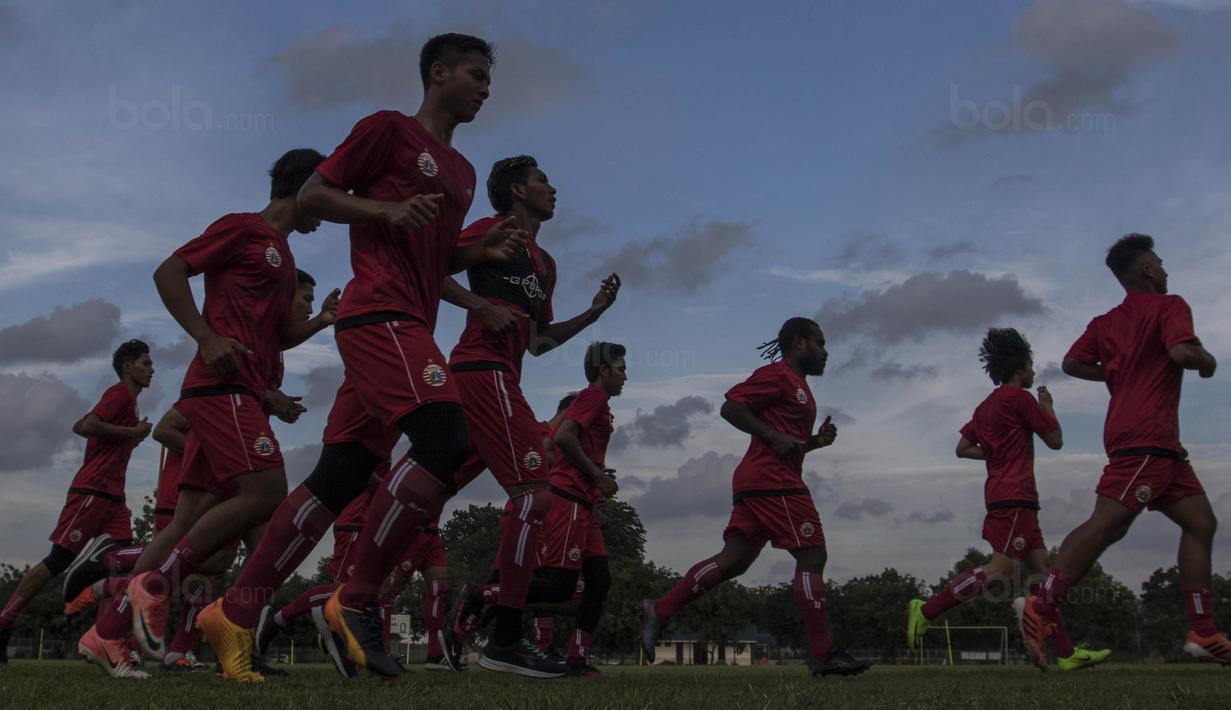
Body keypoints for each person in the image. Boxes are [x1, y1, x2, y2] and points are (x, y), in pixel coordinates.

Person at [198, 33, 524, 681]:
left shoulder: (459, 173)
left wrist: (475, 256)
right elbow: (317, 195)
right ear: (437, 73)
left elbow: (429, 257)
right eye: (475, 75)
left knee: (340, 475)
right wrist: (386, 206)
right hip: (378, 317)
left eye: (489, 79)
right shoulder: (387, 130)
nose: (485, 88)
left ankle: (232, 614)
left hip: (412, 323)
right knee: (443, 435)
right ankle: (356, 598)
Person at [76, 149, 336, 681]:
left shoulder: (284, 259)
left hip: (240, 393)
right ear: (306, 186)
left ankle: (108, 630)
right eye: (329, 191)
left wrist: (319, 323)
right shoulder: (242, 228)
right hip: (220, 391)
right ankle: (152, 593)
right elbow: (170, 270)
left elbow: (275, 336)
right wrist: (205, 335)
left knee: (186, 526)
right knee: (266, 494)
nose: (332, 208)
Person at [1021, 234, 1227, 668]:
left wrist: (1117, 373)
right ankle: (1042, 603)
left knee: (1201, 522)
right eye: (1160, 262)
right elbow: (1180, 351)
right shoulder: (1171, 307)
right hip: (1145, 436)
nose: (1166, 270)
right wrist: (1205, 359)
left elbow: (1073, 363)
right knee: (1109, 522)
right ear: (1148, 270)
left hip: (1160, 444)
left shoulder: (1105, 322)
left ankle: (1203, 631)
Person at [639, 318, 871, 677]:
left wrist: (814, 442)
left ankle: (661, 609)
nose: (826, 352)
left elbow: (786, 442)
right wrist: (770, 434)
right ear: (799, 343)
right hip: (772, 482)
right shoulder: (777, 375)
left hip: (758, 481)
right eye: (820, 343)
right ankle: (823, 654)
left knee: (735, 561)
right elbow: (731, 406)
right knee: (812, 554)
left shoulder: (800, 388)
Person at [904, 329, 1109, 670]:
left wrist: (997, 456)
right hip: (1014, 497)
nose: (1033, 373)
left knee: (1045, 575)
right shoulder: (1020, 399)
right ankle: (925, 611)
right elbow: (1055, 439)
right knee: (1000, 570)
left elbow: (963, 448)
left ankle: (1068, 652)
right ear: (1020, 368)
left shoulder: (986, 406)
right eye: (1032, 366)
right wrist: (1048, 406)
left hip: (1013, 497)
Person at [0, 340, 154, 667]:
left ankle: (107, 637)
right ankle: (5, 620)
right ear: (128, 367)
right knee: (58, 560)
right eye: (145, 362)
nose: (151, 368)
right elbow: (85, 426)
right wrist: (131, 432)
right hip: (92, 493)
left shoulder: (130, 402)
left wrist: (130, 432)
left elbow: (89, 427)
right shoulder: (118, 395)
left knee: (125, 564)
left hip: (114, 498)